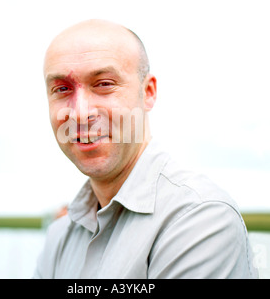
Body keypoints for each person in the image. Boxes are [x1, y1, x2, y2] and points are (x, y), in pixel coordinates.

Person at [34, 19, 258, 279]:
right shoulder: (61, 235)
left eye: (104, 84)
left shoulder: (200, 219)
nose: (81, 112)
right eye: (62, 89)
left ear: (148, 92)